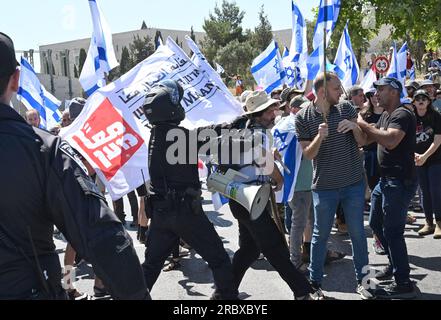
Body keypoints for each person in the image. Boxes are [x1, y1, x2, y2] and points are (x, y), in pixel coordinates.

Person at [0, 32, 149, 300]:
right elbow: (105, 238)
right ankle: (70, 283)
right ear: (16, 79)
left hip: (71, 213)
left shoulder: (51, 144)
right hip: (41, 265)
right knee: (76, 247)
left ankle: (75, 283)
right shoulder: (44, 148)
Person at [140, 80, 238, 300]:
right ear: (170, 108)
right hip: (184, 212)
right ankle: (228, 299)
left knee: (150, 266)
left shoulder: (156, 135)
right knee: (219, 259)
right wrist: (239, 122)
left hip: (162, 213)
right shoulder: (178, 138)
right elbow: (210, 136)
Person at [215, 90, 313, 300]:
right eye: (270, 111)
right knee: (275, 246)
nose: (274, 114)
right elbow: (263, 162)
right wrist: (279, 178)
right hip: (251, 200)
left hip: (241, 198)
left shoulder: (244, 131)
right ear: (259, 113)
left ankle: (224, 293)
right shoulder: (259, 134)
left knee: (249, 250)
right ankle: (303, 291)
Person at [295, 72, 371, 300]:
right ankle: (315, 284)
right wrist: (320, 137)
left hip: (353, 184)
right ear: (322, 92)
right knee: (320, 236)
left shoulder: (346, 108)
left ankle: (364, 282)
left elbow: (363, 141)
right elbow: (308, 155)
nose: (342, 92)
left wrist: (354, 127)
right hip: (324, 187)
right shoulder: (303, 116)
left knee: (358, 234)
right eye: (337, 88)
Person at [357, 77, 418, 299]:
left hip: (399, 182)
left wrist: (362, 124)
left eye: (380, 90)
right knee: (375, 222)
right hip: (385, 182)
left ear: (393, 92)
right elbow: (366, 140)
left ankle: (403, 282)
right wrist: (359, 125)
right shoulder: (385, 115)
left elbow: (390, 141)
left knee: (393, 232)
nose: (376, 94)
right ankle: (394, 266)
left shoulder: (402, 114)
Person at [412, 90, 441, 239]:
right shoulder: (410, 118)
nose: (421, 101)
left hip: (435, 159)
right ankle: (428, 222)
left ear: (429, 102)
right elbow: (406, 140)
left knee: (436, 190)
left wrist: (425, 156)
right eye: (418, 98)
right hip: (418, 160)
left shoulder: (436, 116)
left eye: (424, 98)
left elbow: (438, 140)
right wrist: (415, 155)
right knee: (424, 192)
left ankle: (439, 224)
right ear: (414, 102)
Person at [360, 88, 386, 255]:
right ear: (368, 98)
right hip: (371, 159)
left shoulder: (390, 114)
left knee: (388, 201)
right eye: (372, 95)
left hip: (388, 158)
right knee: (377, 202)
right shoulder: (364, 115)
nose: (376, 98)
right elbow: (360, 139)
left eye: (378, 94)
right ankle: (378, 238)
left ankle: (389, 236)